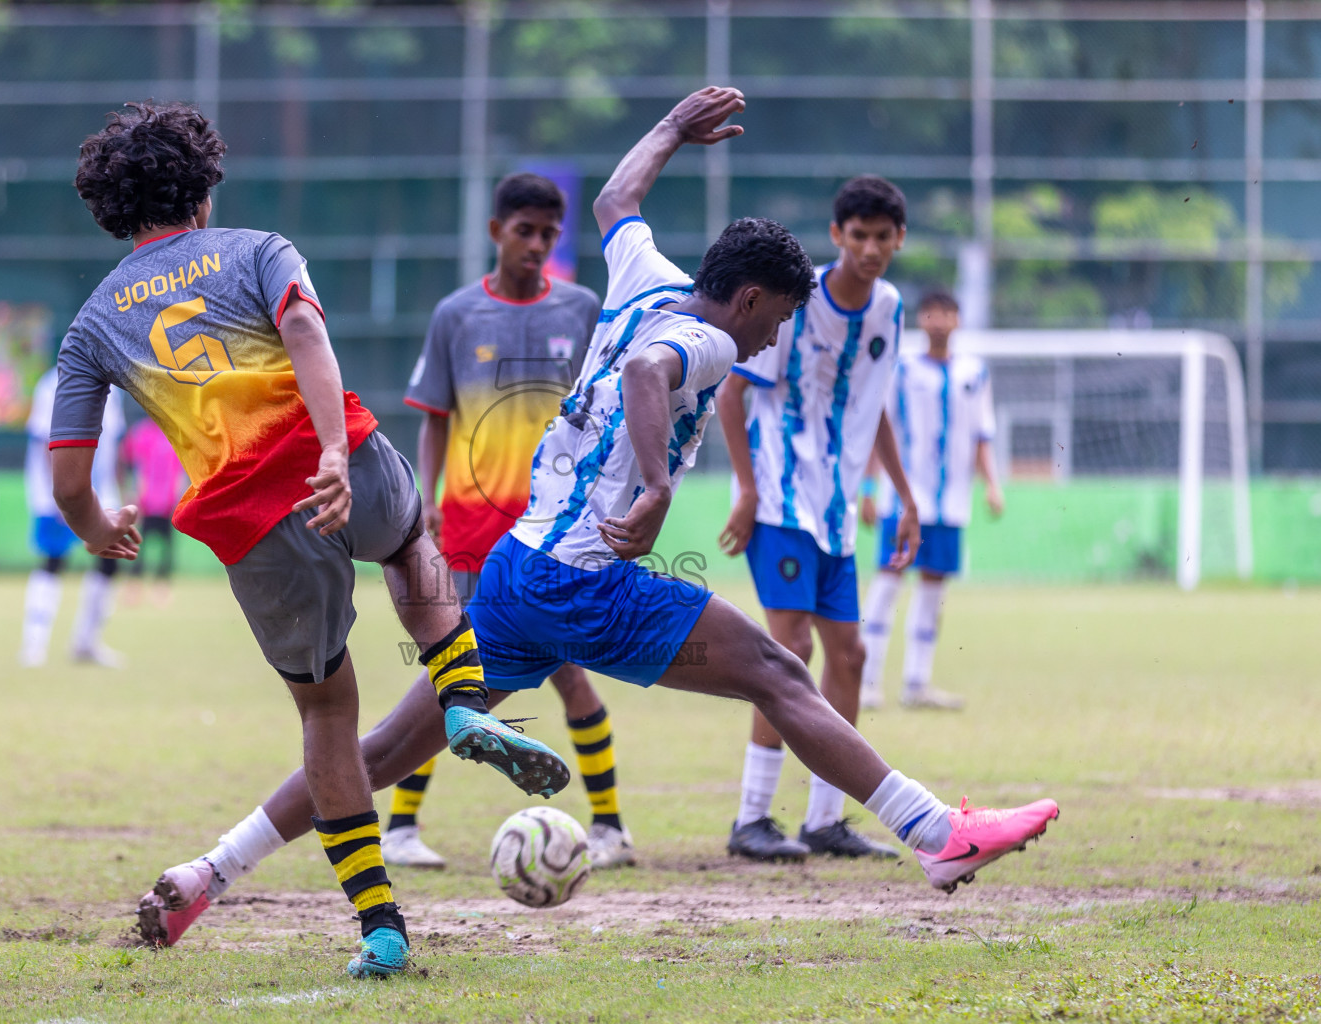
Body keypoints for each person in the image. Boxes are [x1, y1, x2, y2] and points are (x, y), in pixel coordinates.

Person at [130, 89, 1059, 953]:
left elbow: (618, 196)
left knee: (379, 751)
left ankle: (206, 871)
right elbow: (649, 373)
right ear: (748, 299)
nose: (775, 337)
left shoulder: (641, 272)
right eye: (777, 318)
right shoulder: (703, 339)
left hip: (515, 568)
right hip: (583, 583)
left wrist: (668, 130)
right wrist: (654, 488)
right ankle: (937, 834)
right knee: (778, 670)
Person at [48, 101, 571, 979]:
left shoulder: (93, 323)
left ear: (111, 207)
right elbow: (304, 333)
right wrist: (332, 448)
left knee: (328, 711)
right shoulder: (258, 248)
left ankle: (381, 929)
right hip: (336, 454)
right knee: (410, 548)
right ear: (202, 187)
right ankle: (463, 702)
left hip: (246, 519)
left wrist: (99, 526)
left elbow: (69, 477)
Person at [386, 171, 635, 872]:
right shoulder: (457, 314)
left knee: (571, 675)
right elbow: (434, 416)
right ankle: (401, 828)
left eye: (549, 235)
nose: (536, 244)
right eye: (524, 231)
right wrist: (426, 498)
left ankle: (611, 825)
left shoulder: (583, 310)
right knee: (450, 673)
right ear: (495, 232)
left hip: (553, 533)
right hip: (467, 526)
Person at [715, 175, 922, 863]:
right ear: (837, 237)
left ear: (898, 240)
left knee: (851, 655)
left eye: (881, 237)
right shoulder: (795, 306)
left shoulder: (890, 308)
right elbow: (731, 395)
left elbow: (874, 405)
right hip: (778, 501)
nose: (869, 247)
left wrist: (904, 495)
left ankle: (824, 819)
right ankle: (750, 818)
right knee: (787, 652)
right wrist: (745, 489)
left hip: (834, 514)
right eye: (856, 235)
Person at [859, 289, 1003, 712]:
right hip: (902, 502)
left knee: (933, 591)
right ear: (921, 320)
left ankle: (917, 683)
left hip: (951, 504)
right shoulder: (900, 370)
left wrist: (992, 484)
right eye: (931, 313)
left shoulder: (974, 374)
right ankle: (868, 682)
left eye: (947, 313)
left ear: (957, 320)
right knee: (887, 583)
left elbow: (982, 435)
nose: (938, 320)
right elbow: (877, 430)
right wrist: (868, 489)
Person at [19, 365, 126, 668]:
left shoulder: (112, 389)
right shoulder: (50, 385)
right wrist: (60, 494)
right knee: (53, 560)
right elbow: (44, 441)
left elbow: (113, 445)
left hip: (101, 493)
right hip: (59, 493)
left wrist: (120, 490)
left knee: (110, 559)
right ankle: (34, 645)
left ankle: (86, 642)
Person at [118, 415, 185, 606]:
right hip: (145, 503)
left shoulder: (175, 434)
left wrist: (180, 497)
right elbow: (127, 460)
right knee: (139, 547)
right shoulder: (141, 432)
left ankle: (162, 590)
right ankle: (133, 589)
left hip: (168, 504)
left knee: (167, 550)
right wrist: (132, 492)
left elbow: (180, 469)